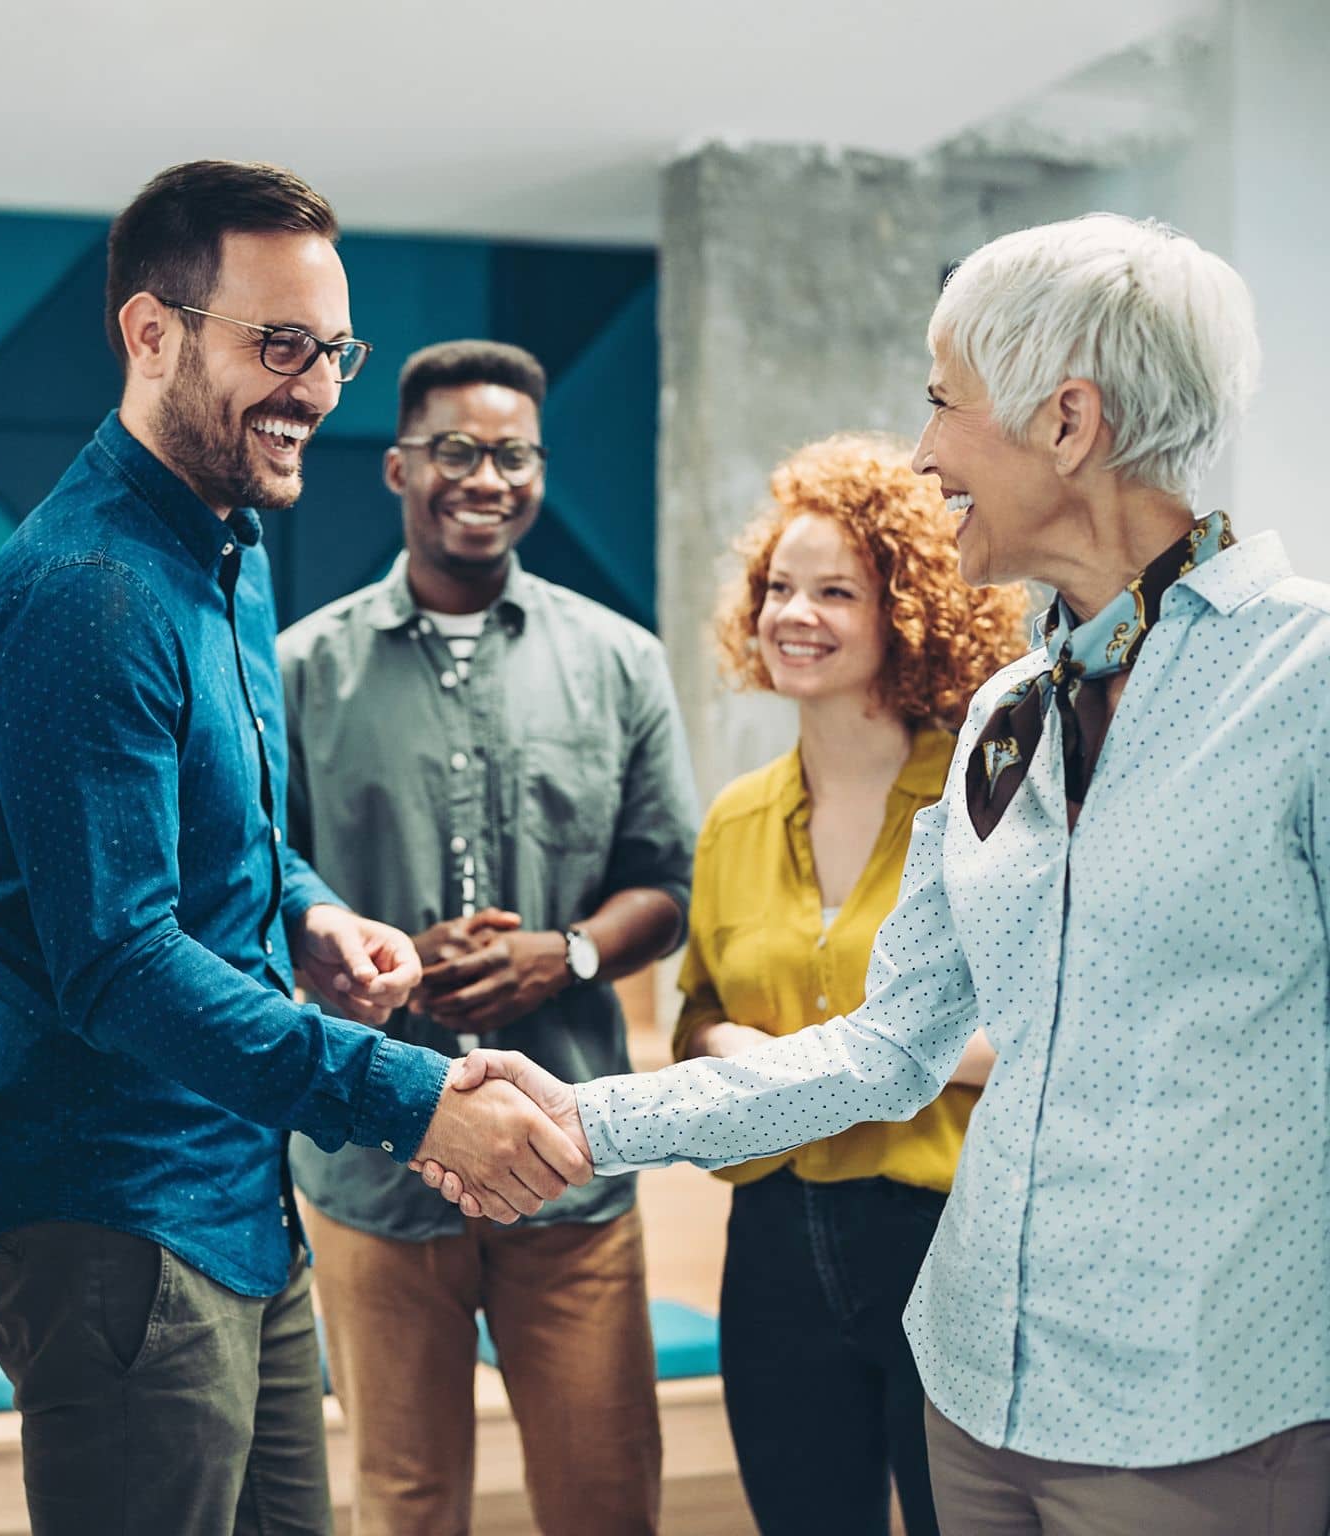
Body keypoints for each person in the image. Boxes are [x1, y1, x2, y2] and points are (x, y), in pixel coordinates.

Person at [423, 214, 1330, 1533]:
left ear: (1068, 421)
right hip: (971, 1396)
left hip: (1205, 1419)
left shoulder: (1303, 684)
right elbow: (888, 1046)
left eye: (943, 404)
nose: (922, 452)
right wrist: (585, 1116)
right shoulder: (1012, 714)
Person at [0, 161, 590, 1536]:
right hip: (119, 1221)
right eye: (277, 346)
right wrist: (409, 1095)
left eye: (331, 349)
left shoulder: (225, 549)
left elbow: (229, 846)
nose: (316, 388)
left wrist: (306, 912)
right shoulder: (89, 593)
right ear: (152, 333)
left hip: (238, 1189)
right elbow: (117, 966)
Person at [280, 339, 698, 1536]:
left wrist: (557, 954)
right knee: (405, 1505)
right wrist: (376, 953)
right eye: (455, 450)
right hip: (376, 1160)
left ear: (538, 470)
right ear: (399, 466)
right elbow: (264, 877)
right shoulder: (301, 669)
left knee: (603, 1493)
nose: (485, 476)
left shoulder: (621, 661)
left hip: (569, 1157)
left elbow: (661, 882)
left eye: (512, 453)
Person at [678, 432, 1025, 1536]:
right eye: (778, 587)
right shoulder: (733, 816)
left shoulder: (987, 805)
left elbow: (1040, 1027)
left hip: (944, 1238)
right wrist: (739, 1054)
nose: (793, 613)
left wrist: (852, 1063)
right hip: (774, 1240)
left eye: (835, 590)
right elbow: (696, 1014)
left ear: (907, 609)